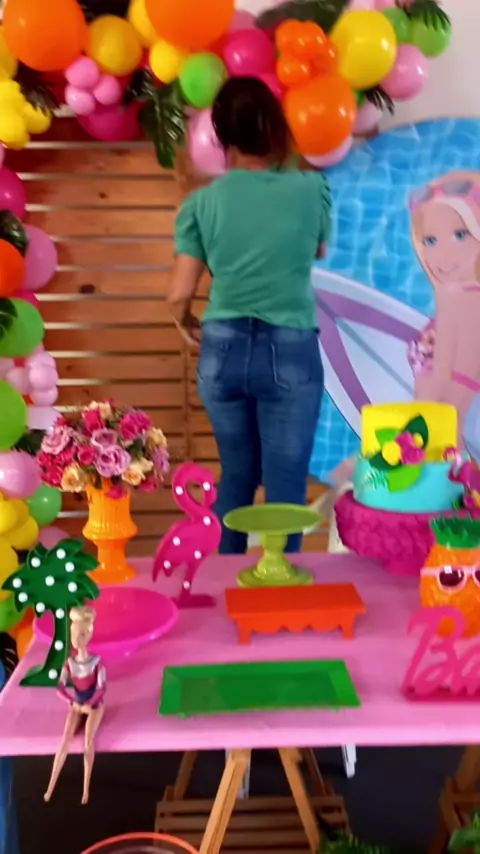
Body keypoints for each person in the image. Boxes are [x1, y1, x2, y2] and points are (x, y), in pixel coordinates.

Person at [169, 77, 331, 554]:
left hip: (222, 348)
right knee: (285, 481)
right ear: (274, 126)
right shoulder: (312, 188)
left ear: (222, 135)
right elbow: (318, 249)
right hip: (291, 348)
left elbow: (178, 293)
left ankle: (223, 582)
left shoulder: (201, 202)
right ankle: (279, 585)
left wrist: (185, 320)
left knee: (237, 474)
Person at [409, 173, 480, 445]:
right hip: (444, 413)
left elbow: (444, 373)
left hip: (435, 410)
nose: (443, 255)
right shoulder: (460, 295)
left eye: (460, 235)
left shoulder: (456, 298)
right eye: (430, 241)